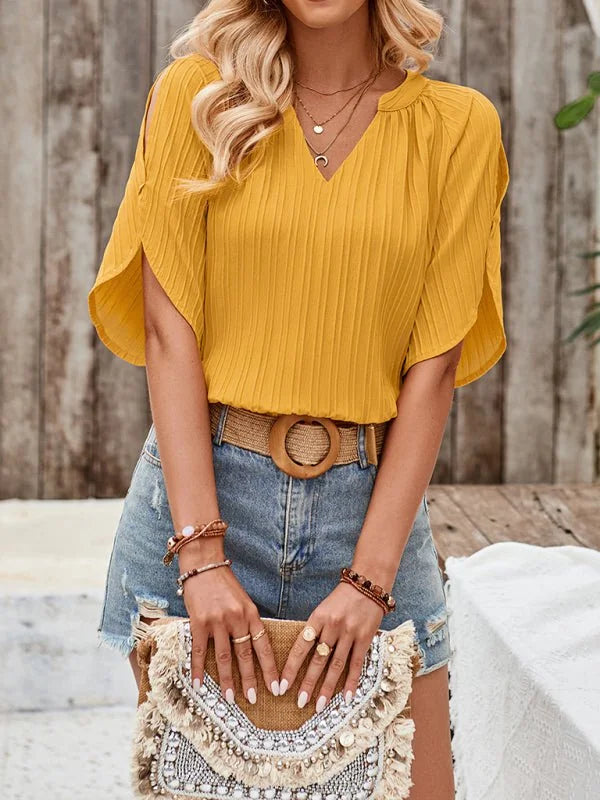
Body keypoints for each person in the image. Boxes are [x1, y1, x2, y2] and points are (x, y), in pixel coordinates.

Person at [87, 0, 509, 795]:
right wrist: (201, 557)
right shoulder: (195, 100)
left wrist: (370, 583)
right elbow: (167, 333)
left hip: (371, 515)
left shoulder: (458, 127)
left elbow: (435, 366)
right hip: (203, 505)